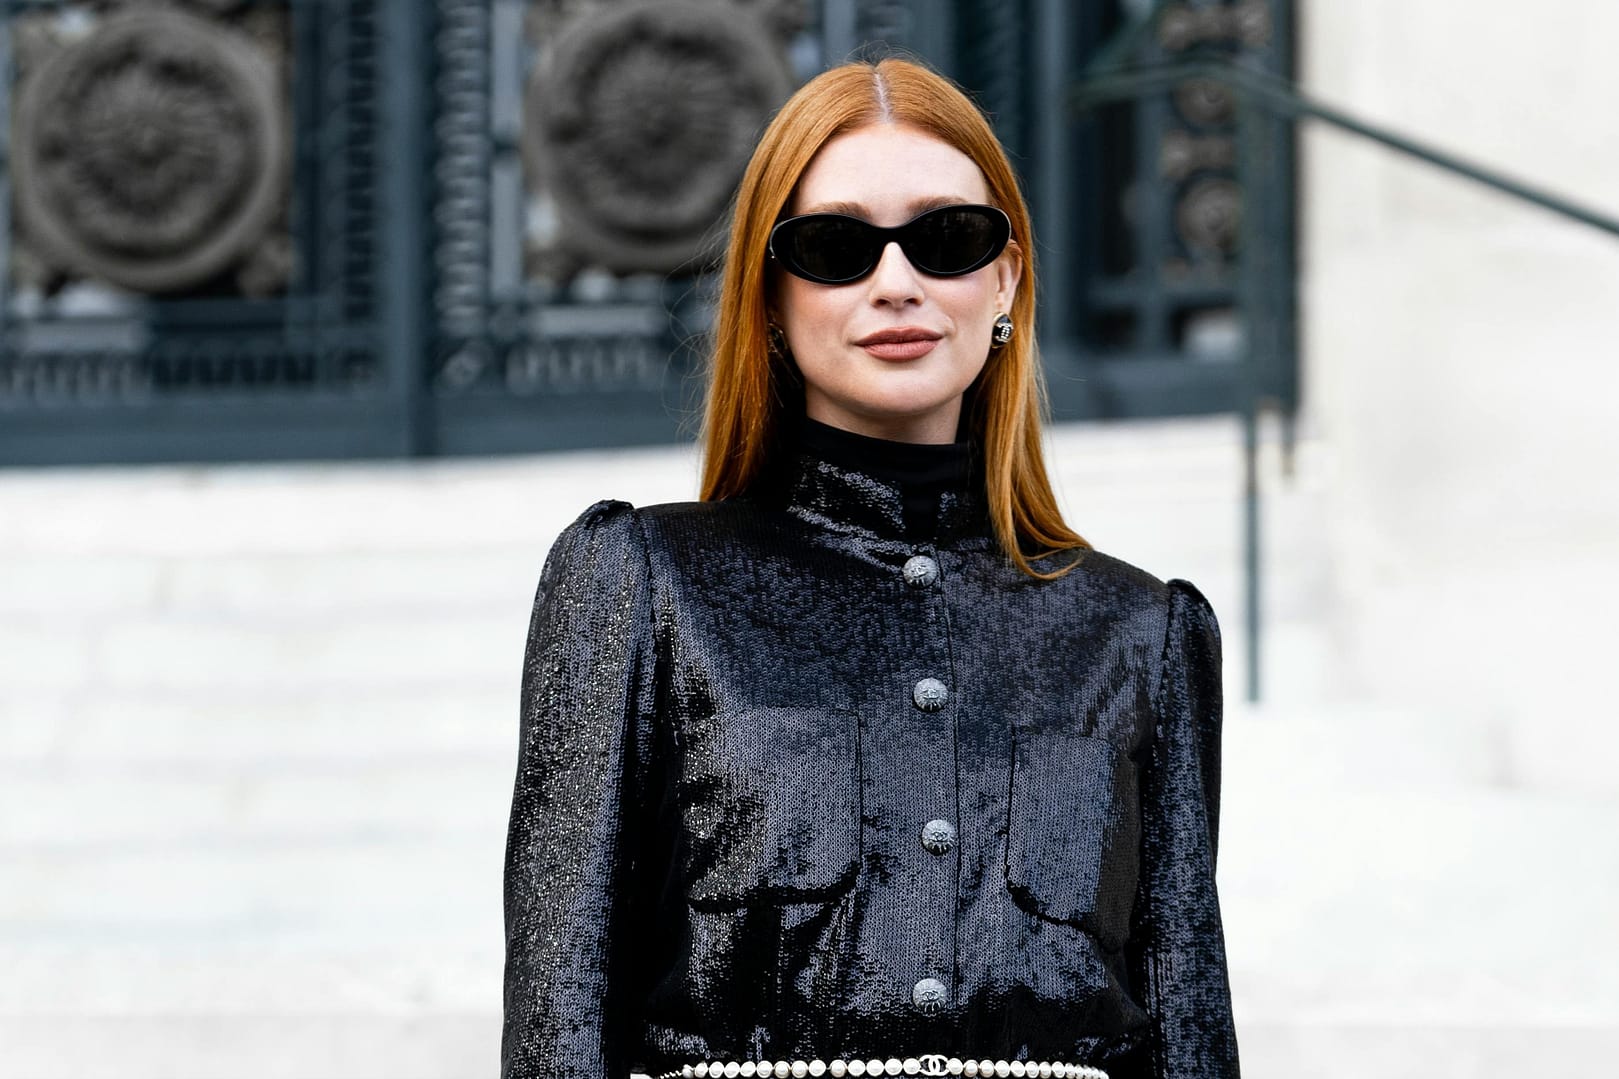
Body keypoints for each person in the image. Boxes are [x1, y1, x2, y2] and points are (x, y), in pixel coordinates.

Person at [503, 58, 1239, 1079]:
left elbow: (1188, 1027)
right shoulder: (642, 582)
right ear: (768, 296)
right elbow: (559, 1018)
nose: (896, 283)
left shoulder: (1137, 631)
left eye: (945, 240)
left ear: (1005, 280)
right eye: (835, 248)